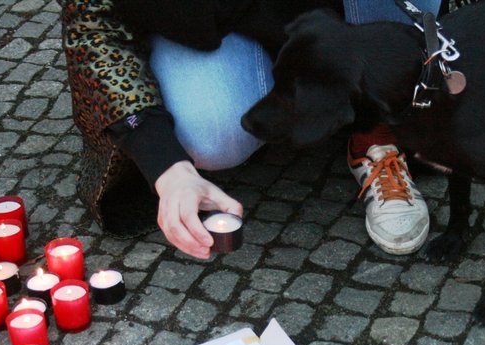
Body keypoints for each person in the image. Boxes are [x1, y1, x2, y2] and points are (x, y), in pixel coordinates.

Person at [61, 0, 443, 258]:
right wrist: (167, 167)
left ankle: (378, 134)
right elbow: (94, 28)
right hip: (223, 12)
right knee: (210, 136)